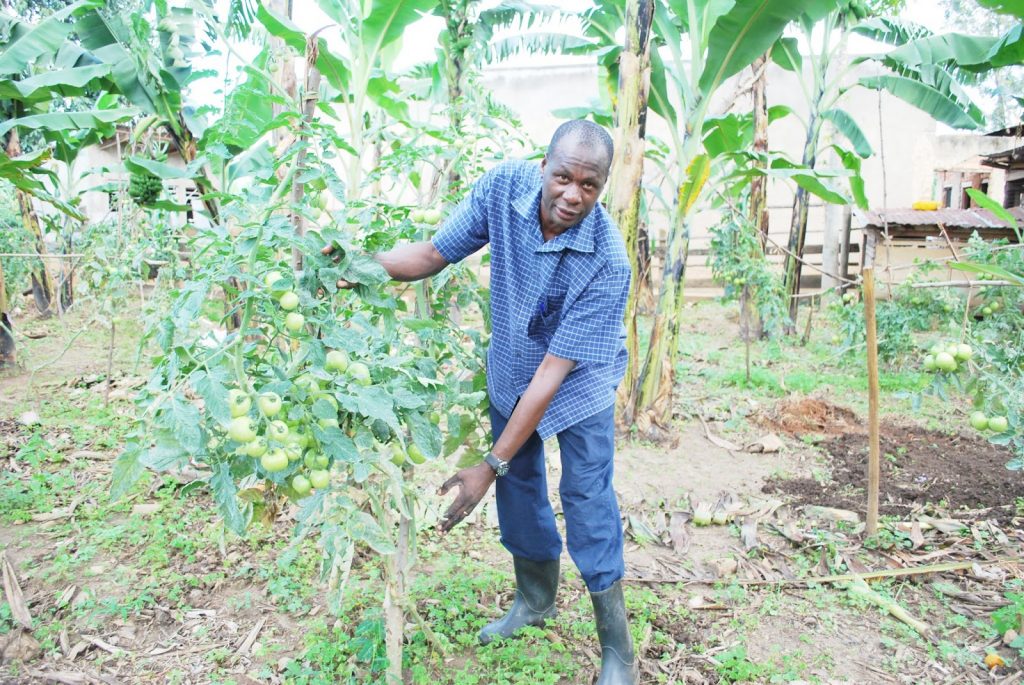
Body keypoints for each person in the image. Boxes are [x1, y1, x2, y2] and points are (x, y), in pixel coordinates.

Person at [327, 120, 636, 684]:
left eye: (589, 186)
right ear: (543, 166)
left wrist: (486, 465)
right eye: (563, 177)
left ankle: (617, 649)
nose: (572, 195)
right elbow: (432, 254)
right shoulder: (502, 190)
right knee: (519, 486)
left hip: (578, 381)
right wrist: (358, 265)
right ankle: (536, 599)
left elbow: (553, 376)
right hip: (516, 363)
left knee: (586, 495)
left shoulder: (608, 262)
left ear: (603, 186)